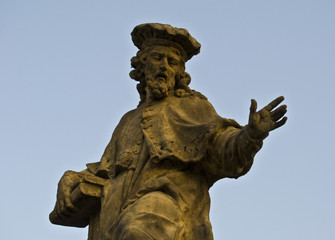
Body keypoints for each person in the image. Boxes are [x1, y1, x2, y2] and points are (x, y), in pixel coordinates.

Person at [50, 23, 287, 240]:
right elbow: (107, 171)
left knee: (137, 230)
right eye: (157, 58)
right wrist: (71, 177)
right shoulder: (127, 121)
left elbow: (221, 143)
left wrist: (251, 135)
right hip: (115, 214)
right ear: (143, 66)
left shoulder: (192, 107)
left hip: (165, 203)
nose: (164, 65)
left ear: (179, 73)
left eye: (172, 62)